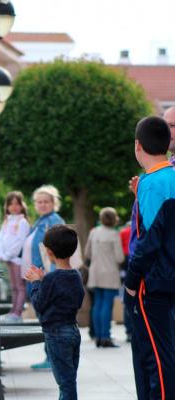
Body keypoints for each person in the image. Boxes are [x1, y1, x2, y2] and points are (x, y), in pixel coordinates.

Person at [124, 116, 175, 400]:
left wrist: (132, 281)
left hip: (152, 281)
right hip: (169, 277)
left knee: (154, 356)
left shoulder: (151, 182)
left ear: (137, 145)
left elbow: (149, 238)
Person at [24, 225, 85, 400]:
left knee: (65, 384)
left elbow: (38, 304)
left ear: (49, 252)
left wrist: (36, 283)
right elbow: (77, 299)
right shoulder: (75, 275)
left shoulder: (51, 279)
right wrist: (44, 282)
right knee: (69, 379)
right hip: (73, 330)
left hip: (56, 333)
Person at [21, 184, 65, 369]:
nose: (42, 204)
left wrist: (49, 276)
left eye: (46, 201)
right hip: (37, 278)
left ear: (54, 203)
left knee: (50, 320)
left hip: (47, 278)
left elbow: (58, 251)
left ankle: (53, 359)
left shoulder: (53, 221)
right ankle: (51, 357)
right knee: (45, 319)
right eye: (39, 202)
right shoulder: (40, 221)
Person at [84, 207, 125, 348]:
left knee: (97, 304)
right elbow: (119, 258)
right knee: (107, 305)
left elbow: (87, 253)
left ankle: (98, 337)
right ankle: (106, 337)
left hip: (95, 272)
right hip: (110, 273)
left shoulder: (94, 232)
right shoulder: (114, 234)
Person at [0, 191, 30, 323]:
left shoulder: (22, 222)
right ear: (7, 206)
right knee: (13, 286)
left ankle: (17, 312)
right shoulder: (6, 221)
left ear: (22, 205)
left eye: (17, 203)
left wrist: (7, 255)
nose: (14, 207)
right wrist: (1, 254)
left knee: (19, 286)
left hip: (17, 259)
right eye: (11, 204)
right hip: (8, 259)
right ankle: (13, 311)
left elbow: (19, 241)